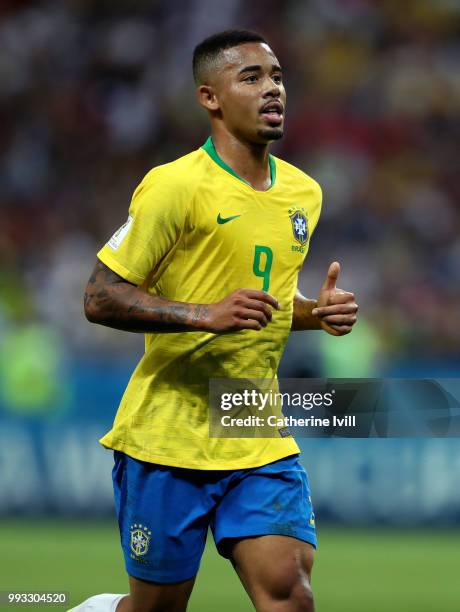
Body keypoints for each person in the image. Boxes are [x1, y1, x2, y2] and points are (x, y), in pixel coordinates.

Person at [73, 29, 358, 612]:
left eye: (276, 75)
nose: (272, 88)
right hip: (169, 432)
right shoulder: (173, 186)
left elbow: (261, 307)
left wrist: (312, 313)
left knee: (290, 595)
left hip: (254, 424)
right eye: (250, 77)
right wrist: (205, 315)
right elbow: (100, 297)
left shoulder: (304, 193)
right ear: (210, 97)